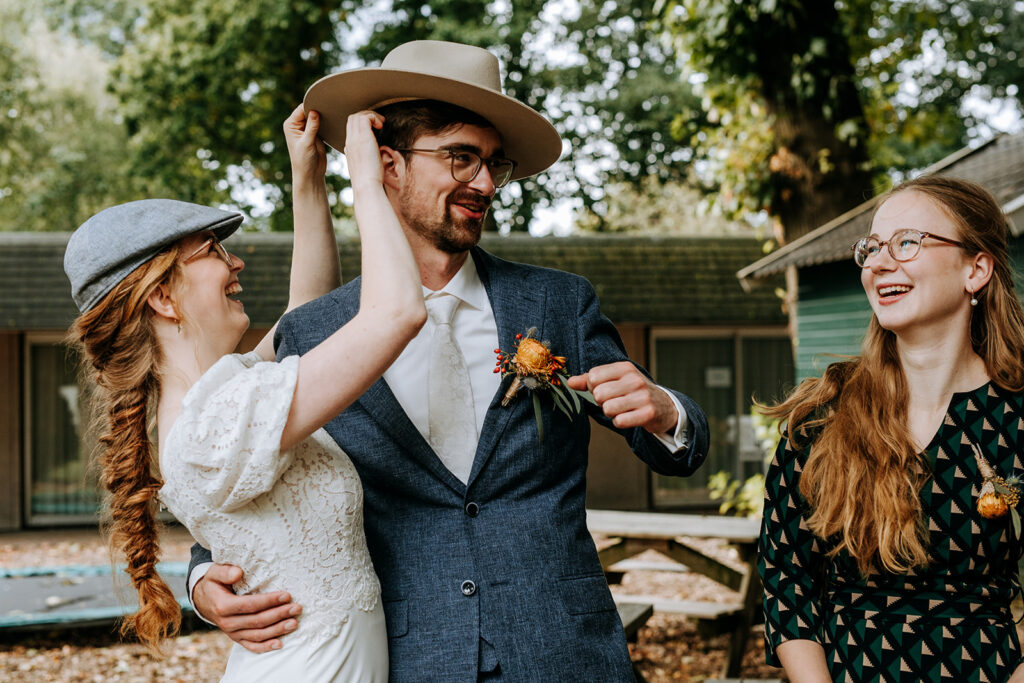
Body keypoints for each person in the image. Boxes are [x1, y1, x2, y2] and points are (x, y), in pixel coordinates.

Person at [188, 40, 710, 681]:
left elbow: (676, 448)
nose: (485, 184)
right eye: (461, 157)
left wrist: (664, 412)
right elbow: (255, 478)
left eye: (495, 164)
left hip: (565, 654)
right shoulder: (316, 331)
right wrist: (202, 576)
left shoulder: (558, 301)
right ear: (388, 166)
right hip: (412, 659)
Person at [64, 105, 425, 680]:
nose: (235, 262)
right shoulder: (217, 425)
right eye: (211, 251)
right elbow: (398, 312)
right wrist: (364, 175)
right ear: (162, 298)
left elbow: (308, 320)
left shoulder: (227, 392)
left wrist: (306, 177)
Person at [758, 175, 1024, 682]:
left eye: (907, 243)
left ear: (977, 268)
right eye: (872, 247)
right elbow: (785, 579)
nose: (879, 263)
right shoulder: (822, 415)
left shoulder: (1015, 415)